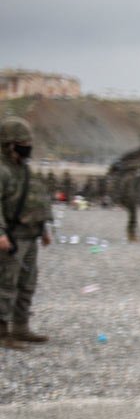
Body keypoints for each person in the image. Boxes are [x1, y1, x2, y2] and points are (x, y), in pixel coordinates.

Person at [0, 117, 54, 349]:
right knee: (5, 284)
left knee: (27, 283)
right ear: (9, 145)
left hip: (30, 236)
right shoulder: (3, 171)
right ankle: (2, 332)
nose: (27, 148)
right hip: (11, 237)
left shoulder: (25, 170)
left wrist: (44, 229)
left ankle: (21, 326)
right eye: (22, 143)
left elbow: (37, 200)